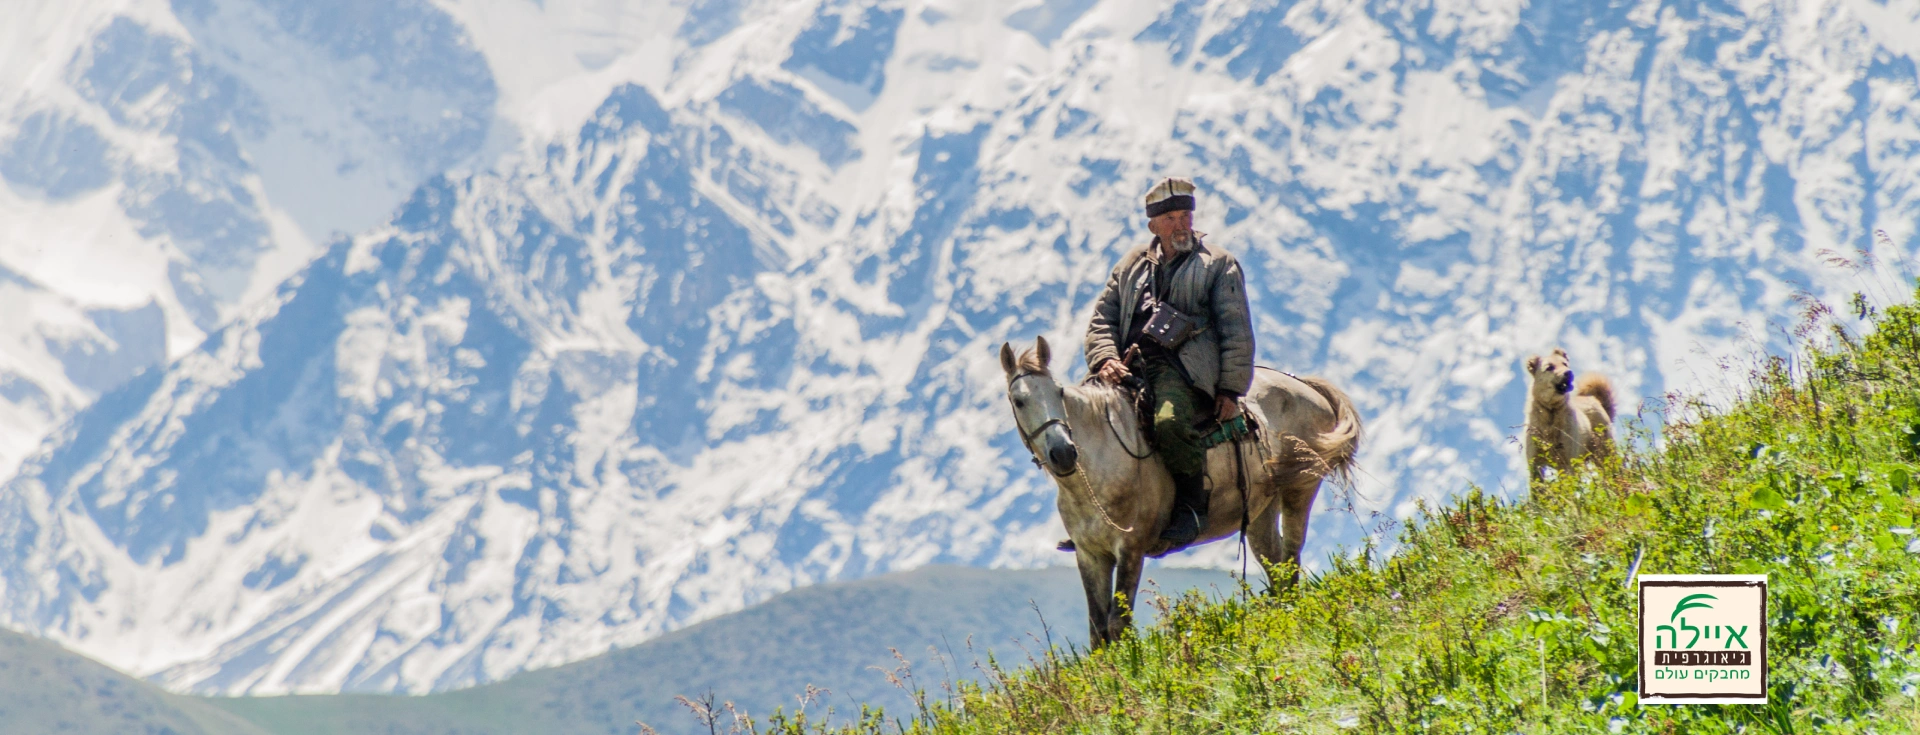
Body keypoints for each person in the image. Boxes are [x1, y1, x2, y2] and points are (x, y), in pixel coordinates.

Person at [1084, 177, 1256, 548]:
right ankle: (1090, 515)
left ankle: (1192, 508)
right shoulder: (1130, 264)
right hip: (1127, 366)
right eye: (1172, 219)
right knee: (1079, 421)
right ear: (1154, 226)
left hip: (1183, 369)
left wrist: (1230, 388)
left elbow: (1236, 331)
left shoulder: (1219, 265)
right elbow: (1102, 320)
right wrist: (1104, 360)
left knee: (1169, 422)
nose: (1181, 225)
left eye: (1185, 216)